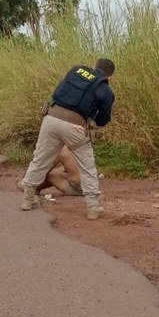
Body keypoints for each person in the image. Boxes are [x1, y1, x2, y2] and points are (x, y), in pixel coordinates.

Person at [21, 58, 115, 220]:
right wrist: (93, 123)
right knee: (87, 166)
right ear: (110, 77)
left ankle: (27, 199)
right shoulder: (105, 89)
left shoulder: (77, 70)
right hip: (75, 126)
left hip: (50, 118)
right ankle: (93, 208)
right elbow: (104, 118)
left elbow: (61, 90)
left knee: (40, 159)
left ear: (94, 66)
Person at [16, 146, 82, 199]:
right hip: (79, 187)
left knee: (60, 151)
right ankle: (33, 186)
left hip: (82, 185)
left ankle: (30, 184)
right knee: (51, 173)